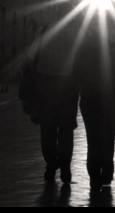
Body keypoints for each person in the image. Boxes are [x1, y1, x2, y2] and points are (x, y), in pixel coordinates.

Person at [78, 28, 115, 192]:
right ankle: (107, 173)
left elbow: (76, 75)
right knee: (107, 138)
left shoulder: (84, 48)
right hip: (112, 100)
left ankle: (94, 177)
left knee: (92, 140)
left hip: (89, 99)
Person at [32, 18, 81, 185]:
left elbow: (31, 55)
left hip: (45, 84)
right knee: (66, 129)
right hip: (68, 85)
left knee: (48, 129)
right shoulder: (77, 31)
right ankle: (65, 167)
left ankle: (51, 166)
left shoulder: (43, 30)